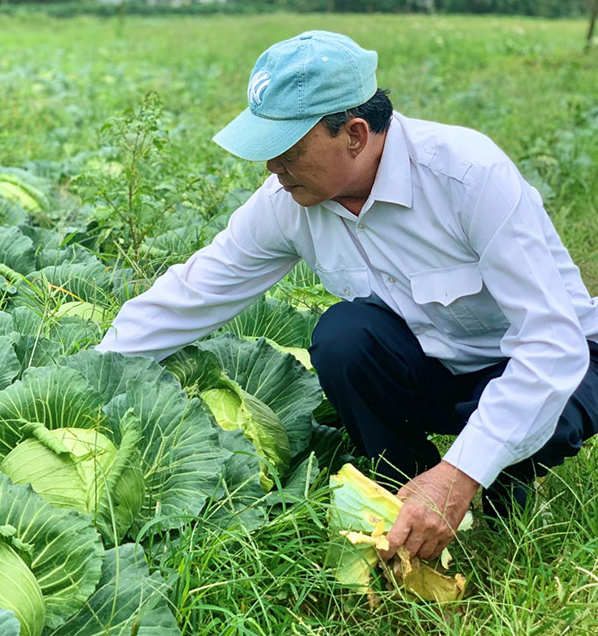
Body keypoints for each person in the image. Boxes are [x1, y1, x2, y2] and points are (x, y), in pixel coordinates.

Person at [94, 30, 598, 563]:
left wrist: (461, 473)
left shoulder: (468, 175)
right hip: (436, 367)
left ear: (354, 134)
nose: (271, 168)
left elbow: (551, 345)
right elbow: (194, 291)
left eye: (286, 150)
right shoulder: (288, 202)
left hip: (556, 362)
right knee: (343, 336)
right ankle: (403, 495)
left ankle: (494, 484)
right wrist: (95, 374)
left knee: (544, 411)